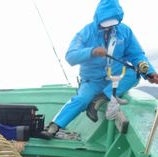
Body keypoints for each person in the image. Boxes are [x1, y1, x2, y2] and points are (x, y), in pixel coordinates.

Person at [43, 0, 158, 138]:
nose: (109, 26)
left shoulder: (125, 31)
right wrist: (92, 51)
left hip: (115, 78)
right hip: (92, 81)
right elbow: (70, 56)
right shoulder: (85, 33)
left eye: (113, 22)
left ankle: (100, 99)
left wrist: (149, 72)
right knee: (81, 100)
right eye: (105, 22)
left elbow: (137, 55)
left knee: (134, 75)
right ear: (98, 18)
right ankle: (55, 125)